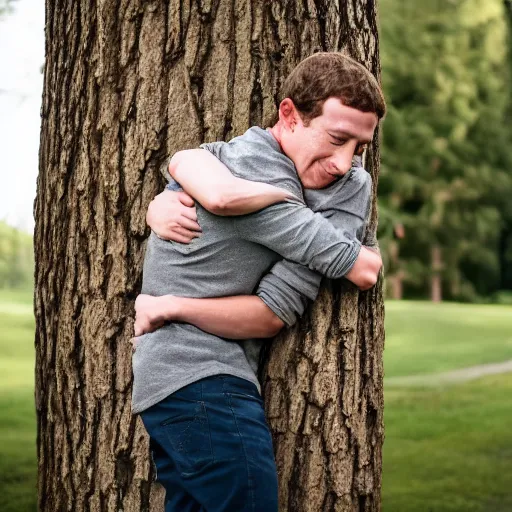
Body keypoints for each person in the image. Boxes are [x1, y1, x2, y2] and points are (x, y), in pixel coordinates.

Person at [132, 52, 386, 512]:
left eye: (360, 148)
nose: (346, 164)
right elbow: (359, 268)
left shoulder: (234, 162)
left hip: (177, 386)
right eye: (336, 138)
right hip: (200, 381)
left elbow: (277, 307)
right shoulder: (258, 176)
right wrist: (344, 239)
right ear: (288, 115)